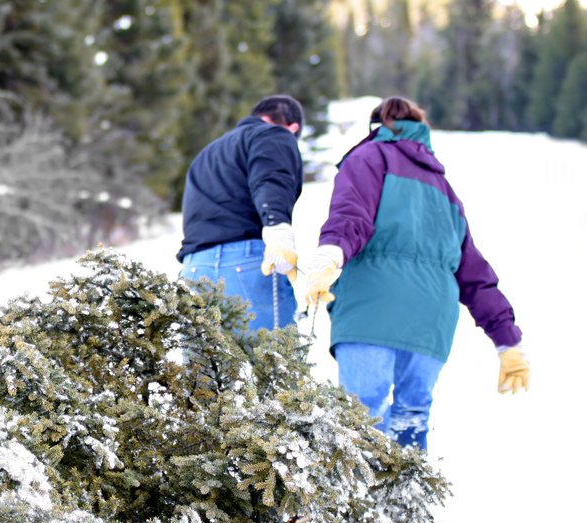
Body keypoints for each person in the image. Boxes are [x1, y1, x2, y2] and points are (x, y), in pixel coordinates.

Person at [303, 96, 530, 451]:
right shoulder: (445, 189)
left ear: (377, 126)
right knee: (411, 419)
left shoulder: (367, 157)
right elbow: (473, 272)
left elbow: (351, 217)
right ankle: (402, 503)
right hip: (431, 320)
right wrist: (508, 342)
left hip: (371, 309)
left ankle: (358, 504)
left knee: (359, 423)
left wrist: (329, 258)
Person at [177, 94, 305, 331]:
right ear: (293, 128)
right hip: (247, 263)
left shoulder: (207, 153)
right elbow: (271, 178)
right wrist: (278, 226)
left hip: (195, 268)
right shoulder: (274, 134)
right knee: (274, 363)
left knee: (206, 367)